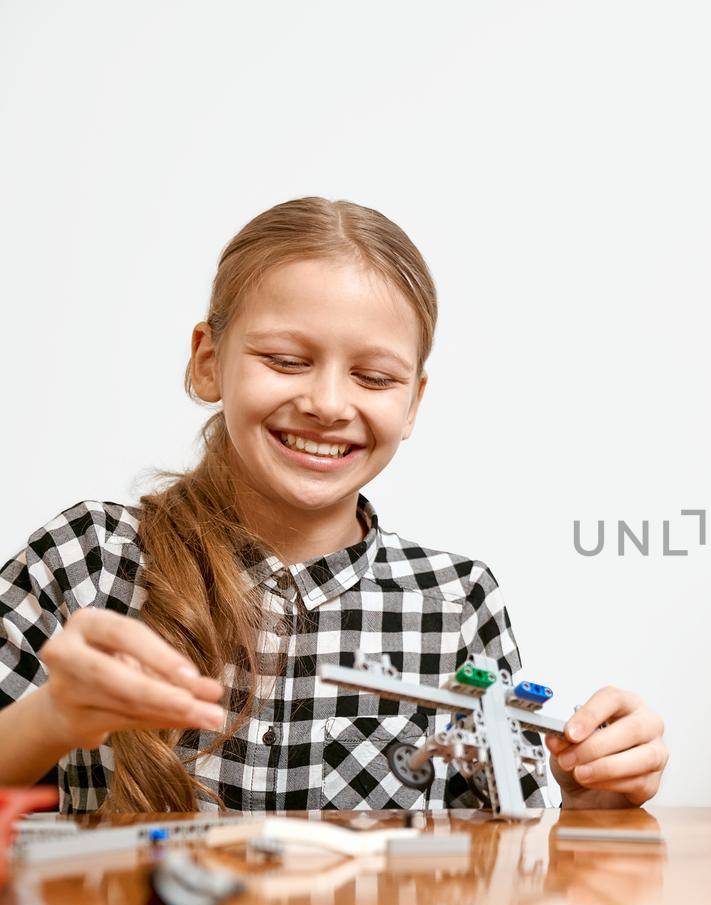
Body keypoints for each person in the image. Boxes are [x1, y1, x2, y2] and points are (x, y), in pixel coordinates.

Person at [0, 197, 667, 812]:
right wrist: (53, 716)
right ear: (208, 362)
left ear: (412, 404)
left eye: (374, 377)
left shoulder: (457, 600)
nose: (327, 403)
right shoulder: (83, 559)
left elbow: (507, 855)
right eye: (286, 360)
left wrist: (592, 793)